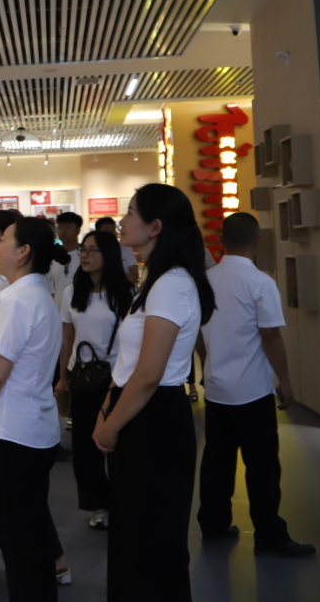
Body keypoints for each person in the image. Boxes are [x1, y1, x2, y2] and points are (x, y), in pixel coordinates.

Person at [92, 184, 214, 602]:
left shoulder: (172, 284)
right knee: (135, 534)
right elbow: (129, 365)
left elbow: (148, 373)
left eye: (130, 212)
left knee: (153, 540)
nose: (122, 220)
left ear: (156, 226)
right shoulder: (156, 280)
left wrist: (110, 426)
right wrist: (106, 409)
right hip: (138, 411)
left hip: (154, 418)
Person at [0, 217, 65, 601]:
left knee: (18, 539)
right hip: (33, 428)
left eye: (3, 240)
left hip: (13, 434)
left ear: (23, 252)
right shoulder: (36, 295)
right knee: (30, 534)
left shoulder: (18, 302)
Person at [196, 213, 314, 556]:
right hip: (252, 392)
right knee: (262, 466)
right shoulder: (261, 282)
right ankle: (269, 535)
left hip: (217, 389)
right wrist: (285, 379)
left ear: (221, 241)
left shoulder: (206, 281)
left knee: (217, 462)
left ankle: (214, 525)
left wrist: (207, 363)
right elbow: (270, 335)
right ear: (257, 242)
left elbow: (198, 334)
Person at [54, 230, 131, 531]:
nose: (85, 255)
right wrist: (63, 376)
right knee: (85, 447)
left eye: (92, 250)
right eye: (83, 250)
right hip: (82, 376)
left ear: (108, 255)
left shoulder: (126, 294)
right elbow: (67, 338)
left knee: (117, 443)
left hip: (117, 377)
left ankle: (122, 502)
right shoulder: (73, 292)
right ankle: (98, 504)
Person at [50, 212, 83, 305]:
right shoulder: (52, 255)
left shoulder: (84, 254)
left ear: (78, 230)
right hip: (58, 307)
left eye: (68, 227)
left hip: (80, 306)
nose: (63, 231)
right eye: (60, 227)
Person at [95, 216, 139, 285]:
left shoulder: (125, 248)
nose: (112, 233)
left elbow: (134, 275)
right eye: (107, 230)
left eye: (113, 229)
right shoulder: (95, 251)